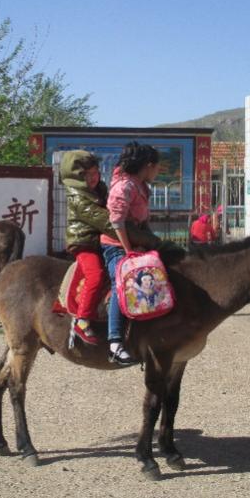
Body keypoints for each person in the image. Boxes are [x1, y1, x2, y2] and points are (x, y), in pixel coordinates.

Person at [100, 142, 161, 366]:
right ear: (148, 166)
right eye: (157, 167)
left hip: (137, 244)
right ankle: (115, 343)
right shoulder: (124, 187)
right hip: (115, 246)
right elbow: (116, 221)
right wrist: (128, 252)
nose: (158, 172)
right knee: (123, 281)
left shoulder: (141, 186)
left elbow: (142, 222)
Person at [59, 150, 111, 346]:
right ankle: (82, 319)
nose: (94, 177)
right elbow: (106, 221)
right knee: (96, 274)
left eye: (96, 172)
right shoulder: (78, 197)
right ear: (77, 177)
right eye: (88, 174)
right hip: (83, 241)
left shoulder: (100, 190)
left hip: (99, 240)